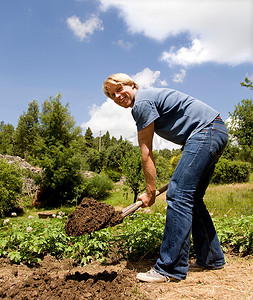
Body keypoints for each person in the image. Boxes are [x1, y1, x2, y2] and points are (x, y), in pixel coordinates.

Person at [103, 73, 228, 283]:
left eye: (119, 89)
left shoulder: (141, 103)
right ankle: (211, 258)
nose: (117, 96)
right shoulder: (146, 101)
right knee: (192, 198)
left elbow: (146, 152)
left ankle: (169, 268)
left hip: (206, 131)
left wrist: (150, 191)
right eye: (112, 95)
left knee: (178, 195)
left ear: (132, 85)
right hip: (214, 130)